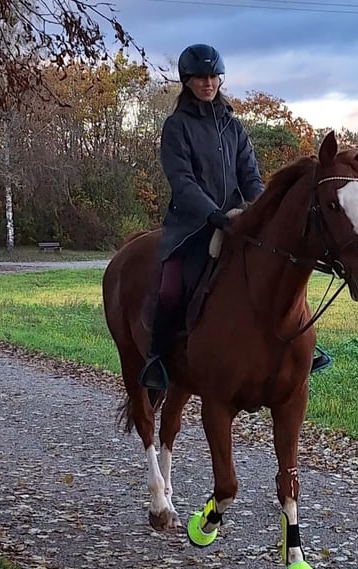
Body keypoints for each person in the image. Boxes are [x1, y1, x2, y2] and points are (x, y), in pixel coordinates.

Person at [138, 43, 265, 391]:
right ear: (187, 81)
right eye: (200, 78)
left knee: (274, 271)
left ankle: (296, 348)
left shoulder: (234, 127)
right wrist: (213, 215)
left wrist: (263, 209)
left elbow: (250, 176)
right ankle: (157, 362)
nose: (208, 83)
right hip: (190, 226)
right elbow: (182, 182)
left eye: (213, 77)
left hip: (237, 221)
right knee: (169, 290)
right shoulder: (176, 126)